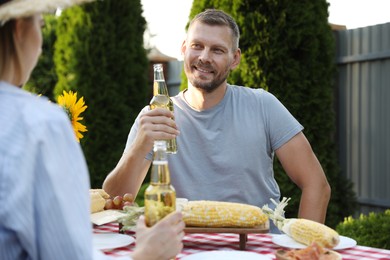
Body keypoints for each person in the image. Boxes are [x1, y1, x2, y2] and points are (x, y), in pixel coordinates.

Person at [103, 8, 331, 233]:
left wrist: (306, 250)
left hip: (257, 248)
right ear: (184, 49)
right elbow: (114, 199)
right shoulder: (155, 116)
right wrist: (140, 146)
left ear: (235, 59)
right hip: (183, 248)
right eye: (197, 46)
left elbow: (316, 185)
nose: (204, 58)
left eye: (217, 50)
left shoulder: (263, 105)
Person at [0, 0, 184, 259]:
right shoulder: (40, 124)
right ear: (20, 29)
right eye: (41, 25)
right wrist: (147, 254)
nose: (41, 46)